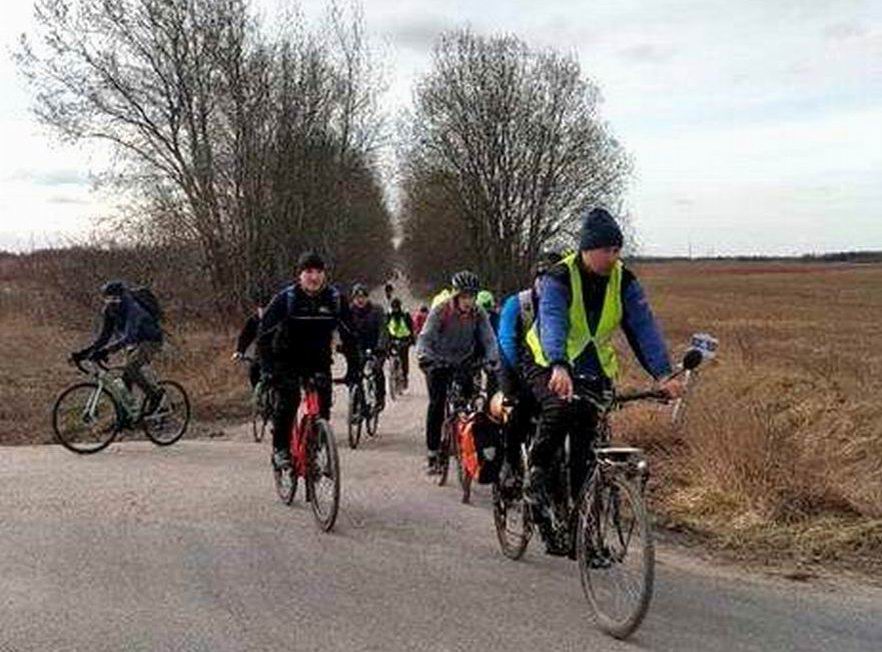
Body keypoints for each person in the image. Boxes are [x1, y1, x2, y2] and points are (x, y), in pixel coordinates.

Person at [522, 207, 684, 553]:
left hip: (594, 369)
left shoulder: (623, 280)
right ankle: (535, 474)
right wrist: (559, 365)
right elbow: (552, 322)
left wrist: (663, 374)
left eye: (617, 250)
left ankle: (585, 537)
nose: (614, 257)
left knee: (586, 450)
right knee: (561, 409)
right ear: (587, 249)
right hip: (547, 361)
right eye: (607, 250)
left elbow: (643, 328)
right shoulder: (558, 277)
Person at [257, 252, 356, 470]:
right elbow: (263, 335)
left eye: (319, 272)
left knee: (323, 406)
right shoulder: (286, 299)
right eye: (308, 272)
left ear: (325, 275)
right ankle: (280, 449)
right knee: (289, 399)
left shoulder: (335, 299)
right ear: (300, 275)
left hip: (318, 359)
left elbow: (350, 336)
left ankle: (316, 448)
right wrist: (267, 369)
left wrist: (354, 369)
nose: (314, 277)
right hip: (286, 358)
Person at [416, 270, 500, 474]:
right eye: (464, 296)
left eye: (471, 296)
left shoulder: (478, 313)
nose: (468, 301)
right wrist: (425, 358)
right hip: (438, 361)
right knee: (437, 403)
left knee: (468, 402)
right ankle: (433, 452)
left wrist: (492, 360)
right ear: (455, 295)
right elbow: (425, 337)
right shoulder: (441, 310)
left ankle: (467, 445)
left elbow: (489, 339)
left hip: (464, 362)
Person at [495, 251, 562, 489]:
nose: (548, 284)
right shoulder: (519, 304)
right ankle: (510, 465)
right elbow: (506, 341)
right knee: (521, 410)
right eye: (543, 278)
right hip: (515, 369)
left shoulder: (566, 304)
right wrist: (525, 380)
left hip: (548, 371)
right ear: (535, 279)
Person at [71, 280, 165, 414]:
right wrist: (84, 353)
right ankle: (126, 417)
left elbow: (129, 336)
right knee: (124, 381)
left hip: (150, 340)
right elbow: (104, 337)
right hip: (133, 342)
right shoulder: (109, 311)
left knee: (131, 369)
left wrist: (107, 351)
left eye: (114, 298)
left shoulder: (133, 308)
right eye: (107, 299)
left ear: (121, 296)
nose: (111, 302)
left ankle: (155, 395)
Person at [349, 283, 388, 411]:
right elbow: (345, 331)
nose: (360, 300)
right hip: (358, 346)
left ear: (367, 298)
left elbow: (383, 330)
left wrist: (381, 346)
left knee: (377, 369)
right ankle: (355, 404)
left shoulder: (377, 310)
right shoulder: (349, 311)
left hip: (376, 345)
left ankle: (380, 397)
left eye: (363, 297)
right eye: (357, 297)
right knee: (355, 373)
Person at [232, 290, 270, 388]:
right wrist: (240, 351)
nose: (264, 311)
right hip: (261, 355)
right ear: (258, 309)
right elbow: (246, 336)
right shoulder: (254, 320)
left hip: (279, 355)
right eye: (261, 308)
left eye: (267, 308)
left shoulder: (280, 319)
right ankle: (257, 396)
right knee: (254, 371)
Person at [385, 297, 415, 389]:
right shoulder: (388, 316)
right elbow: (385, 328)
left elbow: (410, 328)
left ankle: (405, 377)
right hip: (392, 340)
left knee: (404, 359)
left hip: (404, 340)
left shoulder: (405, 315)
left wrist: (411, 340)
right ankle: (393, 374)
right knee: (390, 357)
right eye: (394, 307)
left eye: (396, 307)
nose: (395, 309)